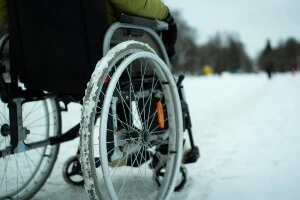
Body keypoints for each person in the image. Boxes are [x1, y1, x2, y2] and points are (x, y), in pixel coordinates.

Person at [0, 0, 177, 57]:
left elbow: (3, 13)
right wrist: (164, 14)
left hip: (38, 57)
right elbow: (130, 2)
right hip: (92, 50)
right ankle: (163, 136)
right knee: (151, 57)